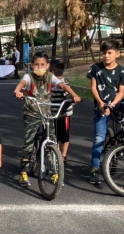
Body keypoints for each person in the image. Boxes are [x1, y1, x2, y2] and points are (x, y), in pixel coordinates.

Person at [13, 52, 81, 187]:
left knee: (52, 140)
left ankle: (55, 171)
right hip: (32, 113)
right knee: (29, 141)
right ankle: (24, 171)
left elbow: (63, 86)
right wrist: (18, 91)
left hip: (47, 113)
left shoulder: (51, 77)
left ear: (48, 65)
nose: (39, 67)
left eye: (42, 65)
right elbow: (22, 84)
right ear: (32, 66)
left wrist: (74, 95)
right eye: (36, 65)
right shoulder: (29, 76)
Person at [86, 39, 124, 184]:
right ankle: (94, 168)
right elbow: (93, 88)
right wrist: (102, 104)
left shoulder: (122, 70)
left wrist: (112, 105)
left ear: (117, 54)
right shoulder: (95, 68)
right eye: (104, 53)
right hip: (101, 106)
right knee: (99, 138)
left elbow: (122, 92)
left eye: (109, 53)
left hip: (117, 104)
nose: (106, 56)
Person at [51, 64, 75, 163]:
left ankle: (63, 155)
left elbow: (68, 99)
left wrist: (61, 112)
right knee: (55, 135)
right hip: (53, 113)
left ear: (52, 72)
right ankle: (57, 153)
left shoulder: (64, 84)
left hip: (64, 114)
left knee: (65, 135)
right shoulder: (51, 83)